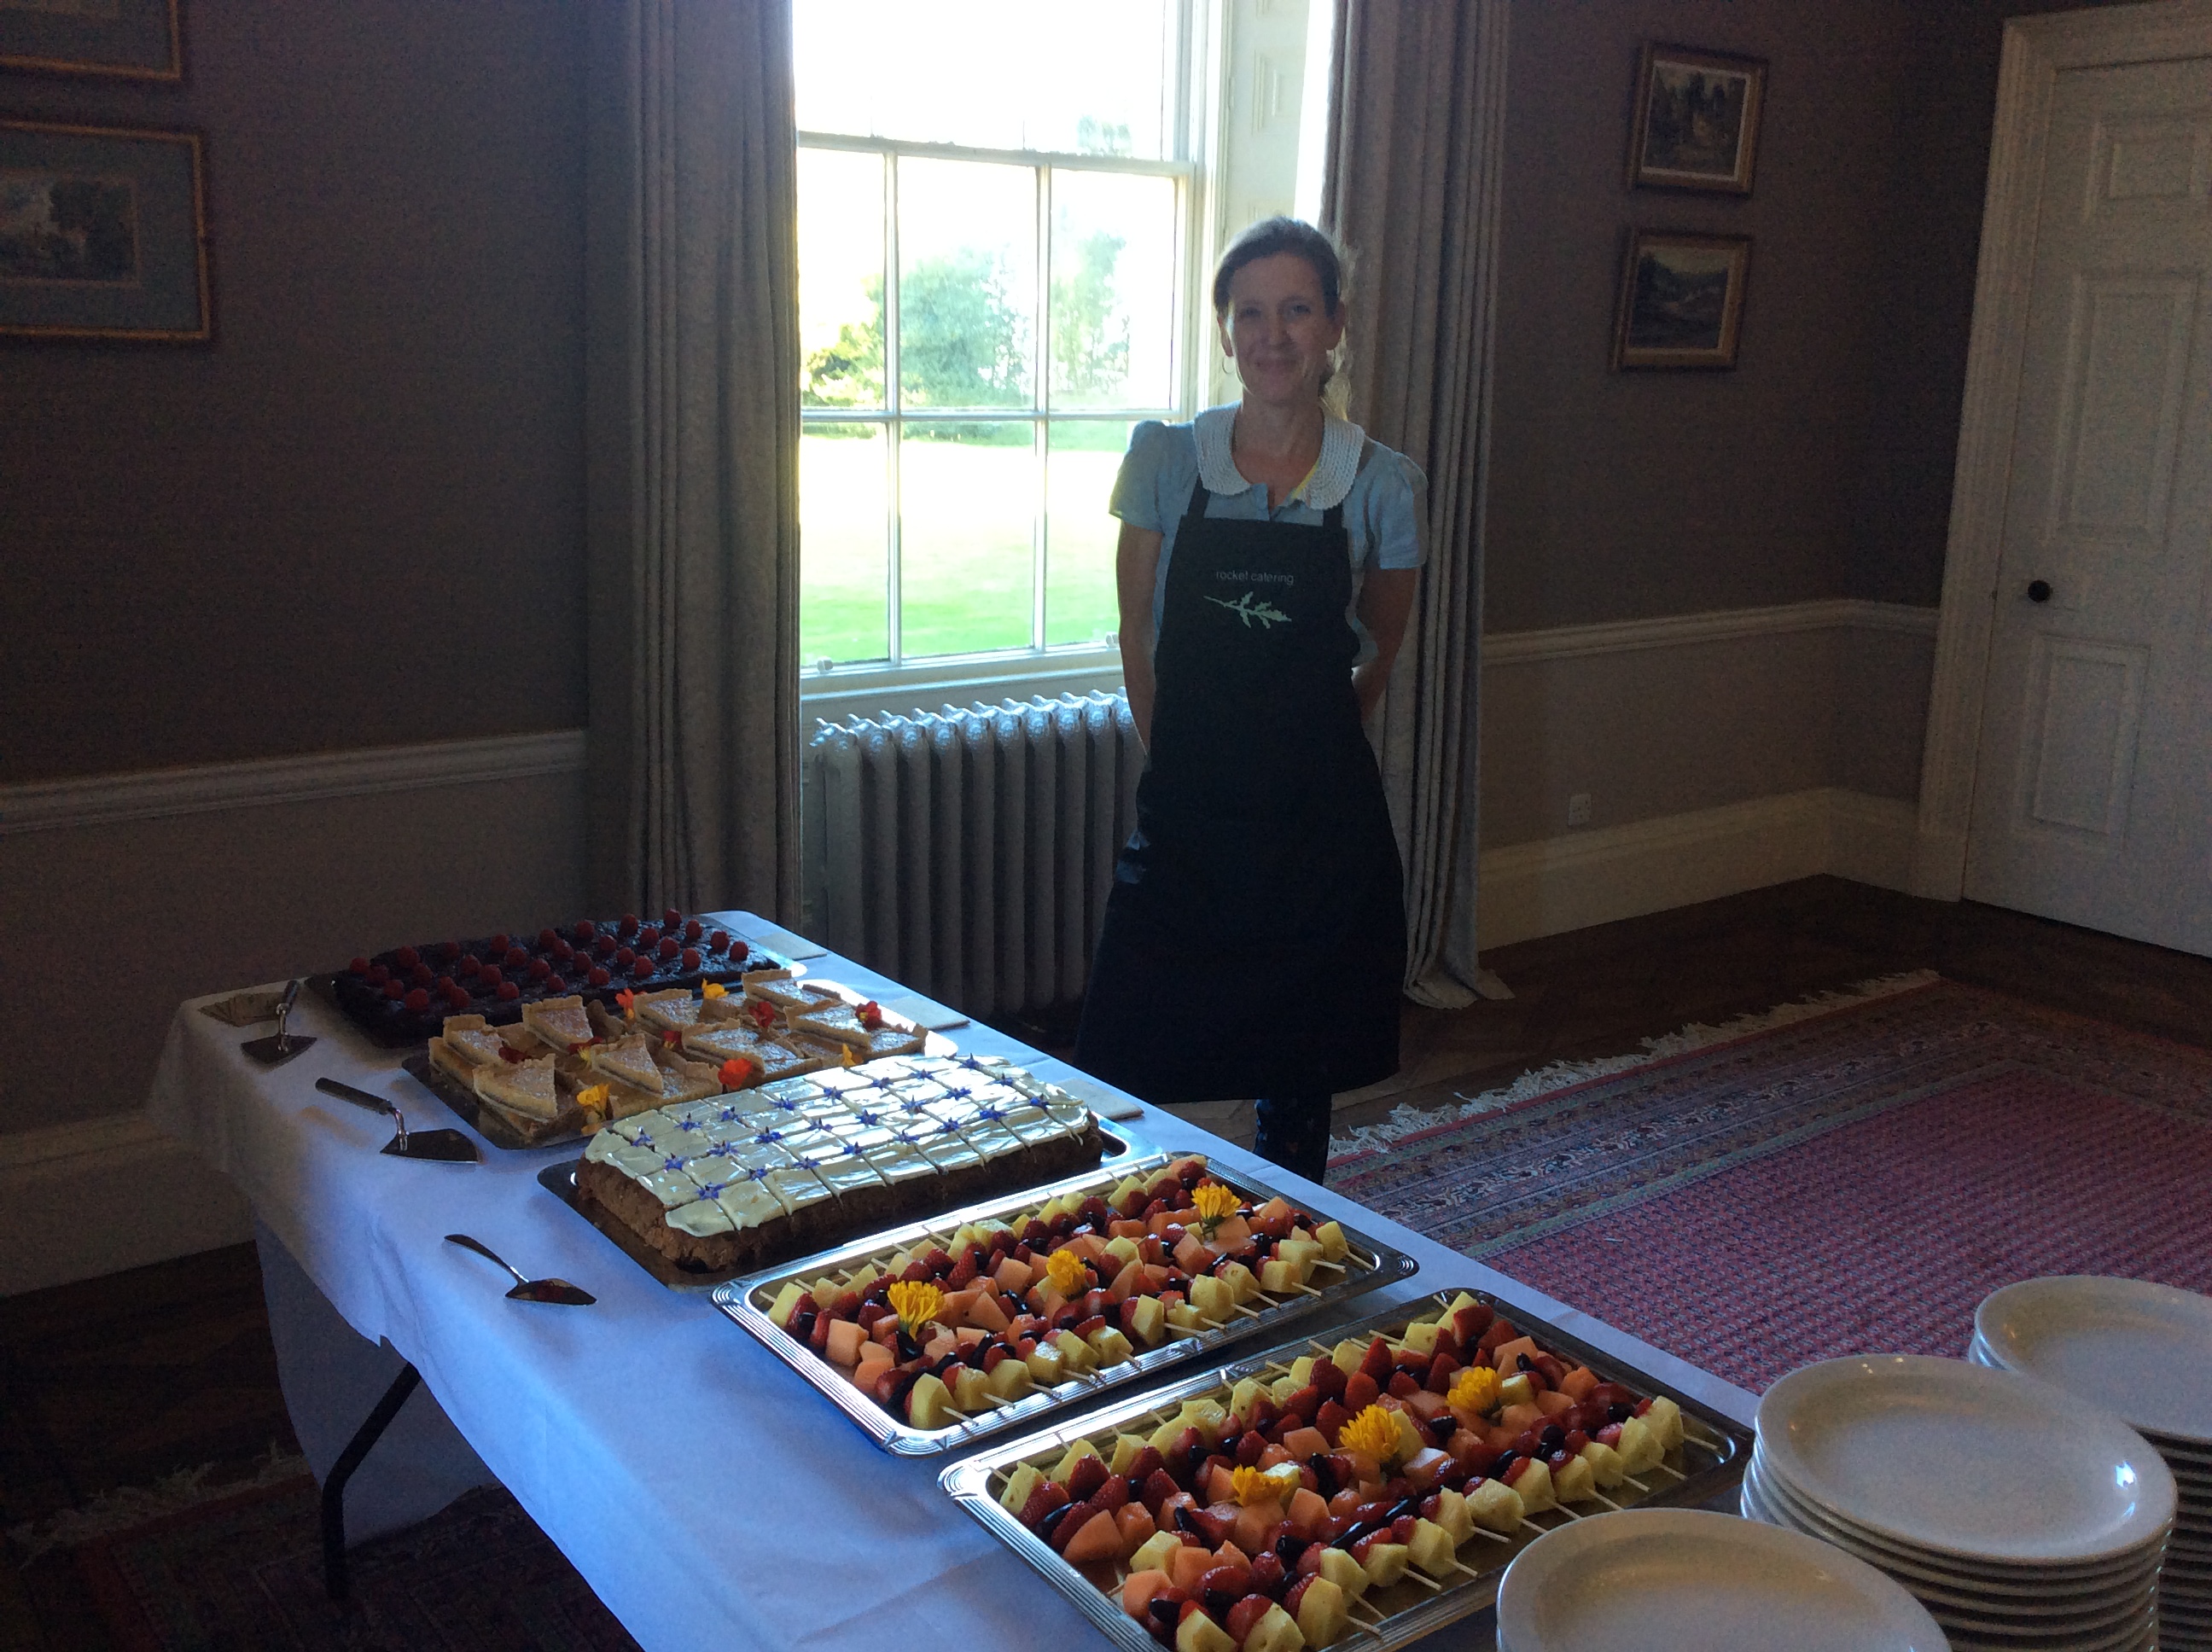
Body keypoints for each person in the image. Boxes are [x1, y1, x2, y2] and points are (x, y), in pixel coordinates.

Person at [1073, 217, 1425, 1185]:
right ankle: (1131, 1239)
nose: (1275, 335)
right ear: (1226, 331)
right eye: (1252, 313)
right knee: (1126, 1047)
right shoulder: (1162, 462)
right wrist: (1179, 758)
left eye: (1298, 310)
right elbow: (1137, 633)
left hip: (1320, 828)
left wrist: (1302, 754)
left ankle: (1291, 1237)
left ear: (1335, 325)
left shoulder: (1387, 484)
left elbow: (1379, 648)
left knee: (1297, 1064)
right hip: (1187, 816)